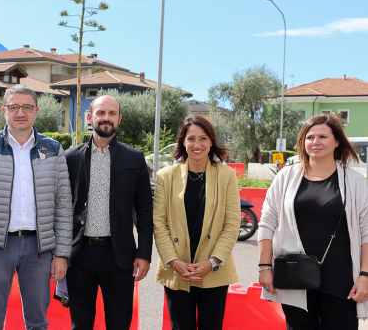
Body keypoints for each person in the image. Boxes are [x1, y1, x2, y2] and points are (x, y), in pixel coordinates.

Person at [0, 85, 72, 330]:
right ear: (4, 110)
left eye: (26, 107)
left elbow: (63, 204)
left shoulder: (52, 149)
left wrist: (62, 254)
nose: (20, 113)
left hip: (39, 249)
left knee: (37, 322)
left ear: (36, 111)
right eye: (14, 107)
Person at [258, 114, 368, 329]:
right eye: (310, 137)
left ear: (337, 142)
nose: (315, 142)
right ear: (302, 142)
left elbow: (366, 232)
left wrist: (365, 275)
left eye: (322, 137)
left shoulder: (355, 181)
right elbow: (267, 223)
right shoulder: (286, 177)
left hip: (341, 280)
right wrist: (264, 267)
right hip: (295, 278)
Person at [64, 95, 153, 329]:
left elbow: (145, 211)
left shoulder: (134, 159)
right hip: (80, 256)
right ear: (89, 117)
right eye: (101, 113)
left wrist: (144, 254)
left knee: (119, 323)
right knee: (80, 324)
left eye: (111, 114)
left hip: (120, 258)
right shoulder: (70, 158)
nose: (106, 118)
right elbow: (61, 208)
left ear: (119, 119)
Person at [153, 116, 240, 330]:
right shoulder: (166, 176)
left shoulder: (227, 175)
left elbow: (232, 223)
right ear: (183, 142)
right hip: (177, 270)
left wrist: (212, 262)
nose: (197, 144)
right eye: (191, 138)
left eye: (203, 138)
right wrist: (173, 261)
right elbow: (159, 222)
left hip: (214, 271)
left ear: (211, 142)